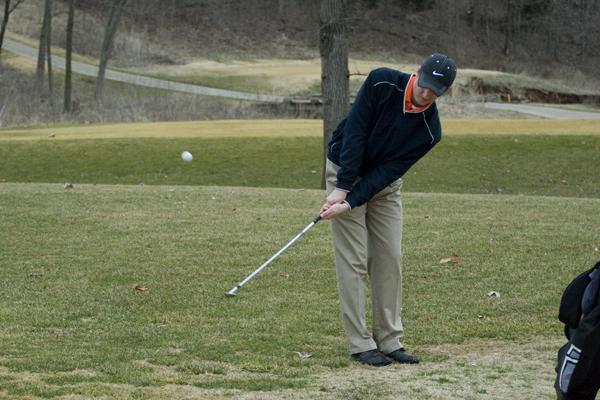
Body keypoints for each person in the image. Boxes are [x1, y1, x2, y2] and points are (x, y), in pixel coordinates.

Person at [319, 53, 457, 367]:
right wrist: (342, 189)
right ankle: (360, 343)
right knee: (352, 260)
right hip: (344, 169)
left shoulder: (429, 131)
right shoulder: (381, 81)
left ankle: (390, 340)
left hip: (384, 186)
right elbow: (355, 132)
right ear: (417, 73)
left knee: (389, 257)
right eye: (425, 85)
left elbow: (388, 171)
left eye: (436, 90)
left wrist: (351, 202)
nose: (427, 94)